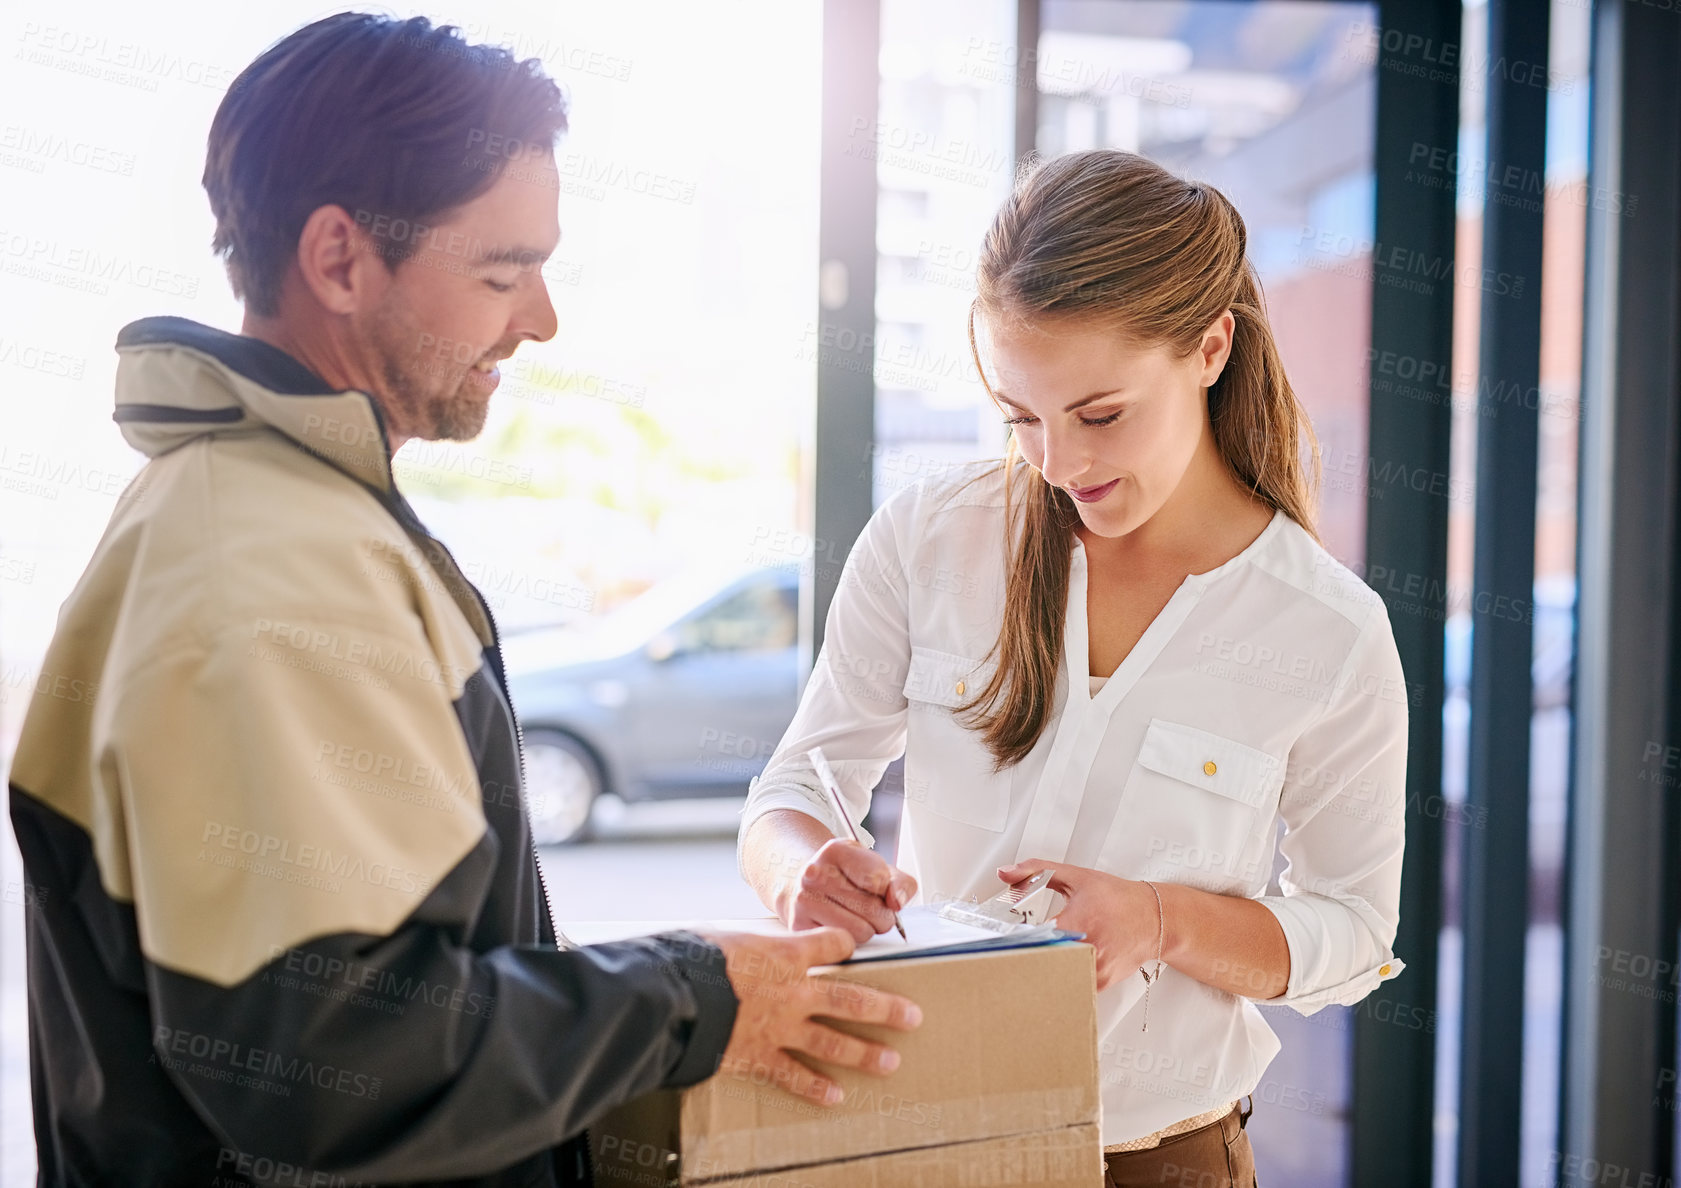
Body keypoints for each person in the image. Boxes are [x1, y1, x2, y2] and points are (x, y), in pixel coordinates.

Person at [6, 14, 920, 1186]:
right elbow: (332, 1052)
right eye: (502, 271)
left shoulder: (259, 509)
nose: (539, 319)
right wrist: (692, 997)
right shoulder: (269, 559)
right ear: (339, 259)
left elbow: (396, 975)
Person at [738, 148, 1410, 1187]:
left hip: (1162, 1160)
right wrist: (798, 870)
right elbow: (794, 790)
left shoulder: (1327, 630)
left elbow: (1354, 934)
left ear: (1211, 347)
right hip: (911, 1139)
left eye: (1100, 415)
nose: (1058, 463)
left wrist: (1158, 921)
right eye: (1020, 418)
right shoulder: (930, 538)